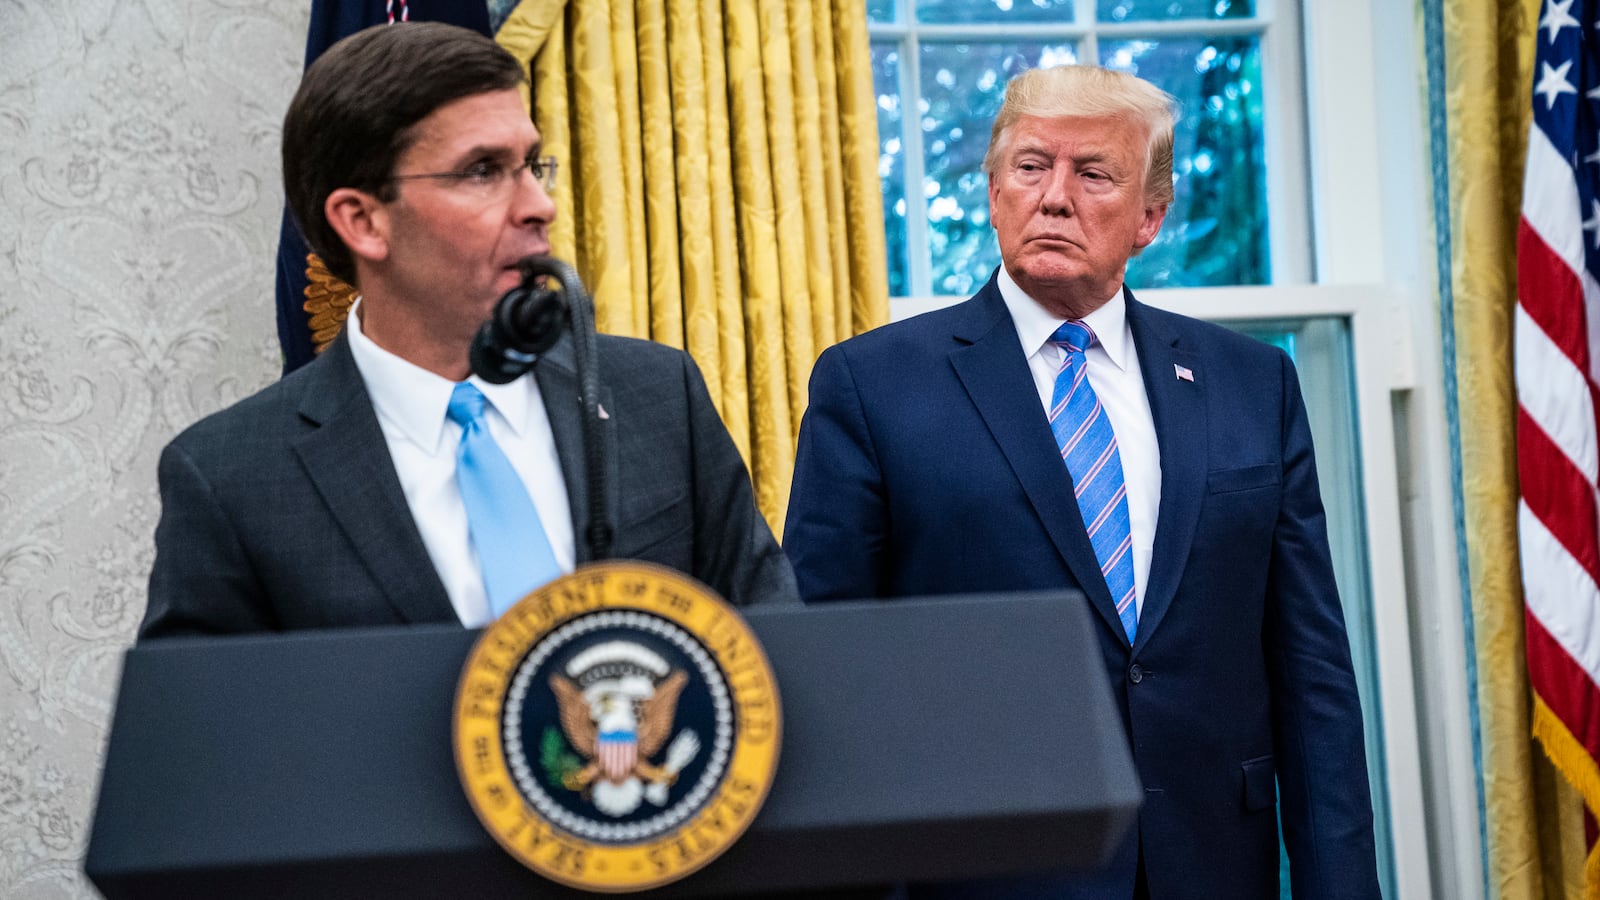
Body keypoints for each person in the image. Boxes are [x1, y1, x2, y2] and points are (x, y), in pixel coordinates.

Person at [783, 65, 1380, 899]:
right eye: (1031, 167)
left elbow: (1312, 670)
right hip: (986, 873)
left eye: (1093, 173)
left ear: (1150, 218)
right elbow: (828, 678)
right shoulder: (872, 386)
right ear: (994, 191)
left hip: (1214, 864)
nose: (1054, 197)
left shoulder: (1253, 385)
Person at [140, 22, 796, 639]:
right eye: (483, 171)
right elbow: (208, 747)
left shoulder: (657, 396)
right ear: (362, 221)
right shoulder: (230, 477)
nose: (541, 206)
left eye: (532, 165)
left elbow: (778, 652)